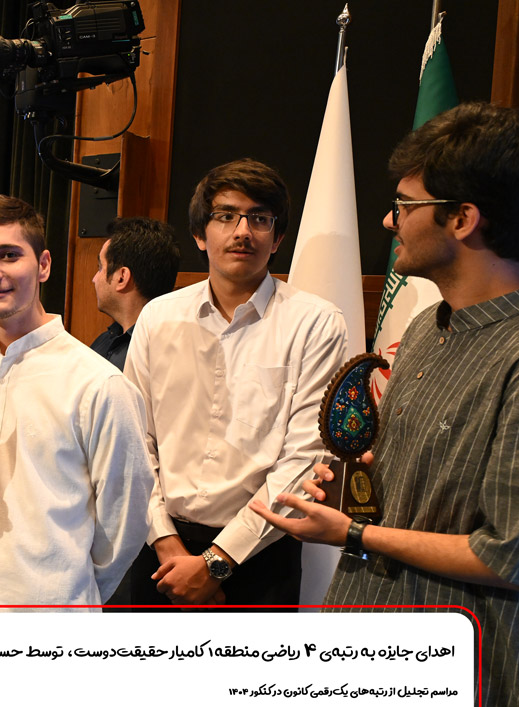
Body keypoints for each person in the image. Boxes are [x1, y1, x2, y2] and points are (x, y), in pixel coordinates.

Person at [252, 103, 519, 705]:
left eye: (404, 205)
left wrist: (354, 532)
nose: (387, 220)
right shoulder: (427, 326)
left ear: (463, 218)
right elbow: (419, 480)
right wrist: (354, 484)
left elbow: (510, 556)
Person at [124, 158, 348, 608]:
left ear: (277, 238)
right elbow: (133, 441)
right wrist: (167, 544)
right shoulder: (157, 317)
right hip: (158, 552)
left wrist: (216, 563)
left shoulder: (316, 323)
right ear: (199, 234)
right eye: (226, 216)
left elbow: (305, 456)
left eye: (259, 219)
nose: (242, 231)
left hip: (261, 556)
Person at [0, 195, 153, 609]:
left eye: (8, 255)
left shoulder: (98, 385)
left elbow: (125, 522)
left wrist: (67, 593)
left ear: (43, 265)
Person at [90, 217, 180, 371]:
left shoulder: (162, 356)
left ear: (122, 277)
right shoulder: (104, 340)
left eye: (100, 268)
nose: (94, 279)